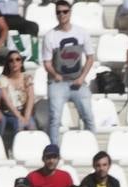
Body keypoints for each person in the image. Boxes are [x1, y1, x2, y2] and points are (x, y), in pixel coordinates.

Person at [41, 1, 95, 146]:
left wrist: (82, 77)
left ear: (70, 12)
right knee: (55, 118)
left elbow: (90, 57)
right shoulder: (50, 36)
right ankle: (54, 150)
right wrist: (55, 74)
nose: (62, 14)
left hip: (78, 80)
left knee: (88, 116)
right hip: (58, 82)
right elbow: (46, 62)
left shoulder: (82, 32)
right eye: (58, 12)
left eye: (65, 11)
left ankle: (92, 147)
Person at [0, 48, 36, 131]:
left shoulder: (26, 77)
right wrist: (20, 117)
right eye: (11, 60)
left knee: (32, 126)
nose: (14, 63)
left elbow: (31, 97)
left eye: (18, 59)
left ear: (21, 63)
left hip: (24, 111)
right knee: (19, 125)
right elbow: (8, 102)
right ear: (8, 64)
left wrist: (27, 116)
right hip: (9, 113)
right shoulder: (3, 79)